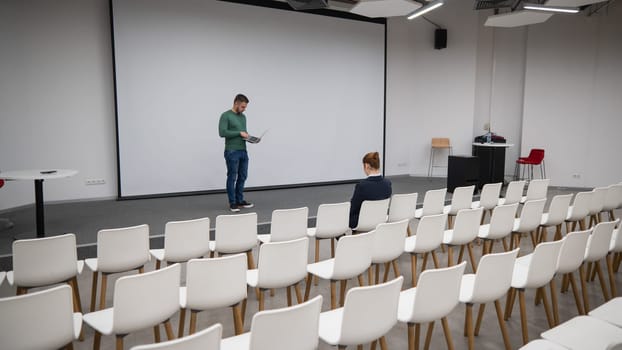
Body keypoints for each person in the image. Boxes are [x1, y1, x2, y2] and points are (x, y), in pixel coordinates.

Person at [219, 94, 254, 212]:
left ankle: (240, 200)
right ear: (236, 104)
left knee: (243, 176)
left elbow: (243, 133)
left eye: (245, 107)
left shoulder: (243, 117)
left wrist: (249, 138)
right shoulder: (225, 116)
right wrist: (239, 133)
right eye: (243, 107)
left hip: (243, 150)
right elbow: (222, 132)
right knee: (232, 176)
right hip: (232, 151)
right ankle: (232, 203)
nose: (244, 109)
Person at [349, 152, 392, 229]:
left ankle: (343, 239)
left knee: (341, 217)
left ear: (367, 166)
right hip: (380, 219)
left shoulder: (362, 185)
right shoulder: (388, 183)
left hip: (362, 222)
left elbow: (353, 208)